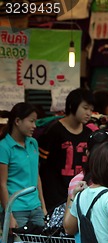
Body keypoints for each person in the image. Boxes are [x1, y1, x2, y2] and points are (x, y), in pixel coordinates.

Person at [39, 88, 94, 212]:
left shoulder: (89, 133)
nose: (89, 113)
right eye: (85, 108)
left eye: (91, 109)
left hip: (80, 196)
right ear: (71, 106)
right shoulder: (53, 131)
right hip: (54, 198)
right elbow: (40, 166)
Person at [0, 102, 47, 232]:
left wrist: (42, 206)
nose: (34, 126)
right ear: (17, 121)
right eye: (31, 121)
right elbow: (2, 184)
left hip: (35, 207)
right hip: (16, 209)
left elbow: (36, 176)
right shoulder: (4, 147)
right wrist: (9, 214)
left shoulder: (33, 143)